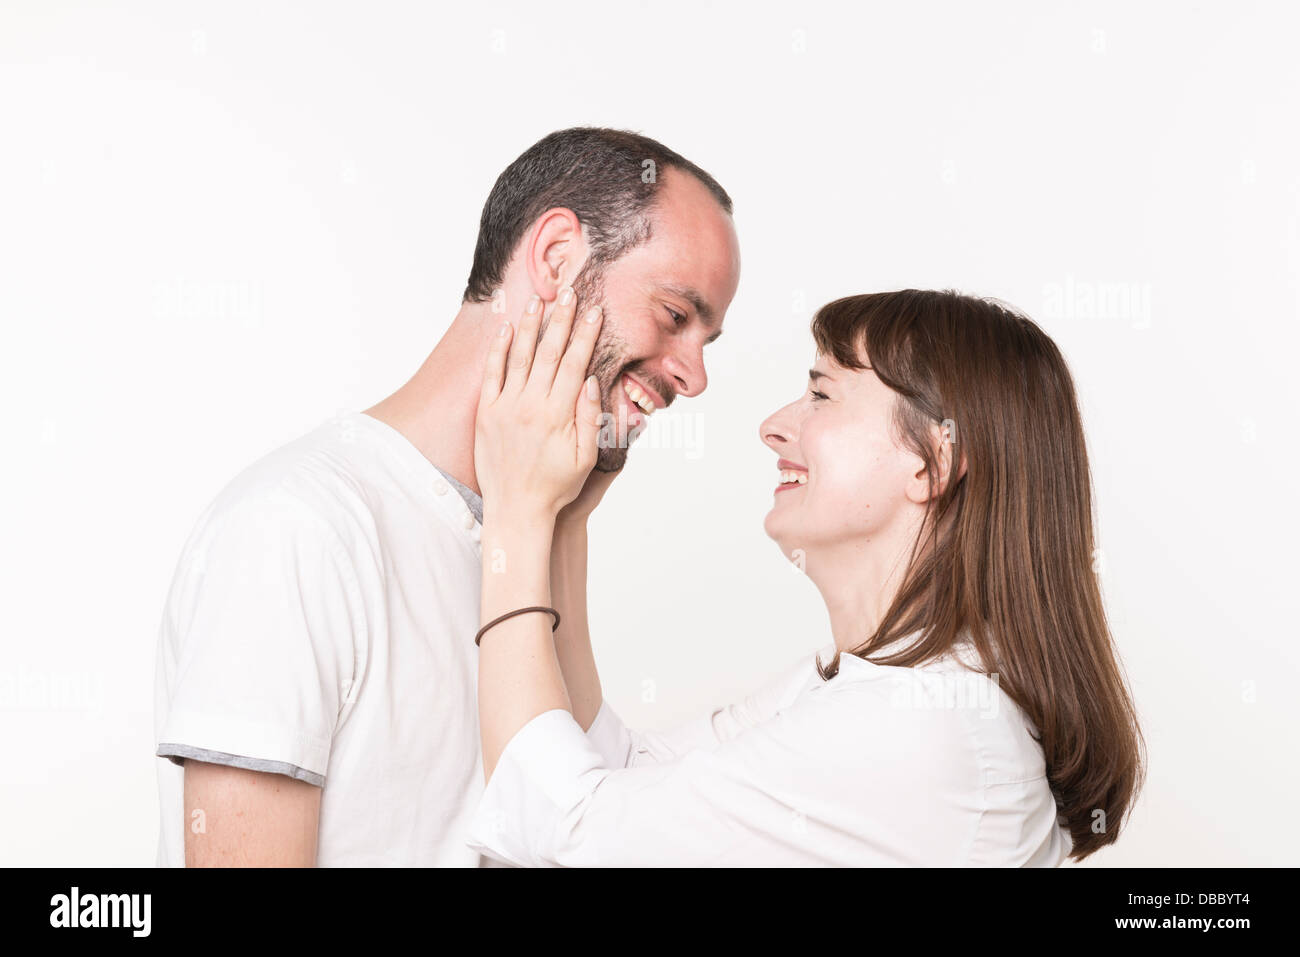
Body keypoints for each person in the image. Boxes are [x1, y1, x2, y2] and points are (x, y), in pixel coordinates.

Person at [152, 127, 741, 866]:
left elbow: (588, 830)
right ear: (558, 260)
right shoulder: (298, 530)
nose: (694, 377)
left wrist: (562, 525)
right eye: (676, 316)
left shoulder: (526, 545)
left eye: (706, 340)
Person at [467, 288, 1146, 866]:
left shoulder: (921, 729)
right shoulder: (860, 684)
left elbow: (565, 837)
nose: (773, 426)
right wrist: (564, 525)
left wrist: (517, 511)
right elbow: (623, 774)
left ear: (934, 461)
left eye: (821, 393)